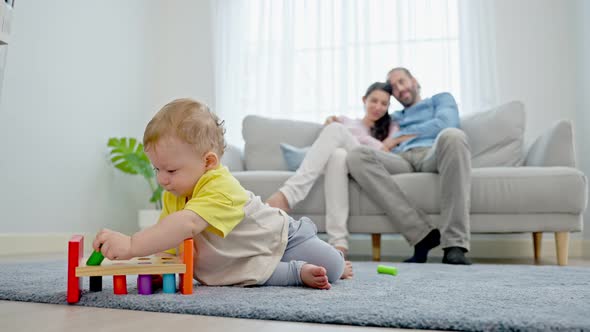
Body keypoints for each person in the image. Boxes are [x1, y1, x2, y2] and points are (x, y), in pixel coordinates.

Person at [93, 98, 351, 289]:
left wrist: (131, 245)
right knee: (235, 276)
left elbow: (187, 223)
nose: (161, 179)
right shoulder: (173, 193)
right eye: (156, 169)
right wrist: (164, 266)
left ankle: (327, 258)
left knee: (334, 267)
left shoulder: (219, 184)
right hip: (240, 257)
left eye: (170, 169)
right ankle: (296, 273)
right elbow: (169, 234)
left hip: (281, 238)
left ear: (208, 162)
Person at [346, 67, 472, 265]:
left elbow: (447, 123)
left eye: (402, 81)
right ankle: (423, 235)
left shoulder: (440, 100)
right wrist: (336, 121)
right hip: (402, 159)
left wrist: (399, 136)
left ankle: (455, 245)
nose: (400, 88)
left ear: (413, 80)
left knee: (453, 136)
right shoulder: (394, 117)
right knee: (356, 155)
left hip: (433, 153)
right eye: (394, 87)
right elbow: (364, 128)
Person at [266, 82, 399, 257]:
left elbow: (385, 153)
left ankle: (288, 195)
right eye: (374, 100)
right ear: (364, 100)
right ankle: (339, 245)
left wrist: (355, 136)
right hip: (340, 166)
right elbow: (323, 146)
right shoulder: (345, 121)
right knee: (337, 155)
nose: (378, 107)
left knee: (336, 130)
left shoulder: (391, 127)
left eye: (384, 103)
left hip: (365, 166)